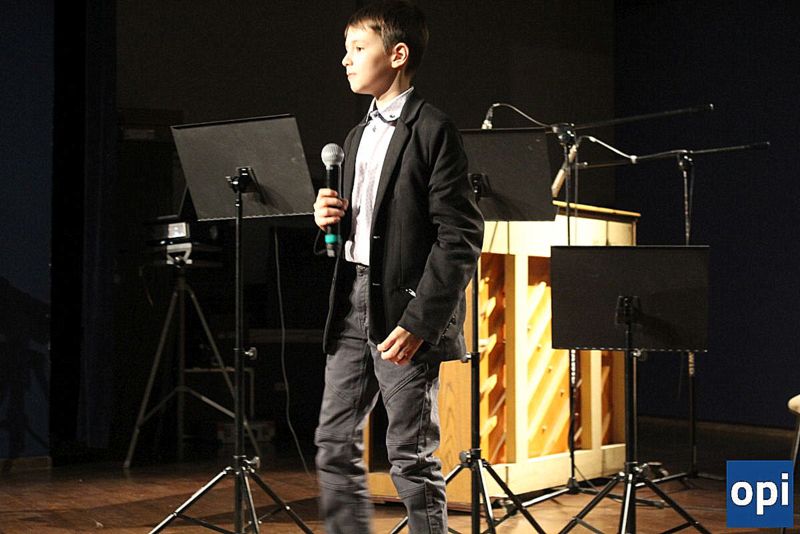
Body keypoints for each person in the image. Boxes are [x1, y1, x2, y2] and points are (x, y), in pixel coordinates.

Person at [312, 1, 484, 532]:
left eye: (358, 48)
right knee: (333, 442)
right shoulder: (355, 136)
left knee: (409, 454)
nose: (345, 59)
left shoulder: (432, 129)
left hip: (402, 309)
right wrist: (328, 218)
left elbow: (460, 237)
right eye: (346, 49)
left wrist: (420, 322)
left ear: (398, 54)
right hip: (353, 302)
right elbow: (367, 229)